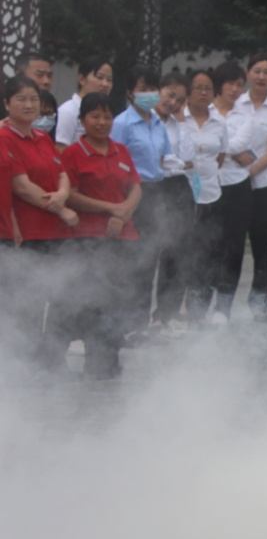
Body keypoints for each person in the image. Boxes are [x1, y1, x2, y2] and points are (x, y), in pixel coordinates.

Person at [1, 75, 79, 377]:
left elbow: (61, 173)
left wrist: (61, 194)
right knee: (28, 301)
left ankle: (51, 358)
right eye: (21, 99)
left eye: (34, 99)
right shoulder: (5, 138)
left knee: (61, 298)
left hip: (56, 232)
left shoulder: (42, 138)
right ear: (7, 104)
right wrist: (63, 210)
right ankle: (24, 364)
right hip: (28, 232)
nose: (29, 104)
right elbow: (21, 187)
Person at [62, 92, 142, 379]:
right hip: (88, 238)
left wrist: (124, 212)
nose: (102, 122)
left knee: (120, 300)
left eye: (107, 116)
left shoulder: (121, 150)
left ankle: (110, 359)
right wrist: (111, 209)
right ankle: (94, 359)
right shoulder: (73, 153)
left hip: (124, 237)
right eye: (95, 116)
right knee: (93, 301)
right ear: (82, 120)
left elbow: (135, 186)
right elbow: (69, 195)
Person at [111, 66, 172, 343]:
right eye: (142, 89)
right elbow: (113, 162)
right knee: (132, 262)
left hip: (157, 193)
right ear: (129, 92)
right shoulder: (122, 124)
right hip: (132, 194)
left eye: (152, 89)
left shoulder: (159, 123)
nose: (148, 94)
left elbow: (165, 159)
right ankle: (124, 324)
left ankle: (140, 324)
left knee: (150, 260)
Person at [235, 53, 267, 321]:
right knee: (230, 246)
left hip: (263, 186)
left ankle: (259, 305)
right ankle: (222, 304)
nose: (261, 76)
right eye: (257, 71)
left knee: (261, 248)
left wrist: (250, 171)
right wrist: (239, 170)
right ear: (247, 74)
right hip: (231, 185)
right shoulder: (234, 104)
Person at [149, 71, 196, 336]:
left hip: (179, 188)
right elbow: (154, 160)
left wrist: (182, 119)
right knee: (149, 251)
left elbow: (189, 160)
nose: (172, 102)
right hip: (153, 187)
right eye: (169, 95)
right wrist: (174, 163)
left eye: (179, 98)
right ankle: (138, 316)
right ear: (158, 91)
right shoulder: (146, 121)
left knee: (178, 253)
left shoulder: (180, 124)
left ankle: (165, 315)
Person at [208, 61, 255, 322]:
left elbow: (241, 143)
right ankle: (201, 301)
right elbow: (197, 145)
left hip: (237, 187)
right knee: (208, 244)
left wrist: (214, 145)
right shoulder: (204, 112)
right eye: (232, 83)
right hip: (208, 185)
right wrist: (231, 152)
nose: (236, 90)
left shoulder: (246, 117)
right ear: (219, 84)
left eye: (240, 85)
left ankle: (223, 307)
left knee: (234, 246)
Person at [183, 70, 227, 324]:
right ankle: (177, 307)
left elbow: (220, 156)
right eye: (198, 87)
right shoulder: (179, 119)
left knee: (208, 249)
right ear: (189, 90)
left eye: (208, 88)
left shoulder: (219, 122)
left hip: (211, 192)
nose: (203, 92)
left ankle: (200, 306)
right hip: (184, 191)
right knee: (184, 249)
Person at [56, 58, 113, 151]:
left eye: (109, 80)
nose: (105, 84)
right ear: (82, 79)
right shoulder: (68, 111)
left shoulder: (108, 111)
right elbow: (61, 150)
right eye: (99, 77)